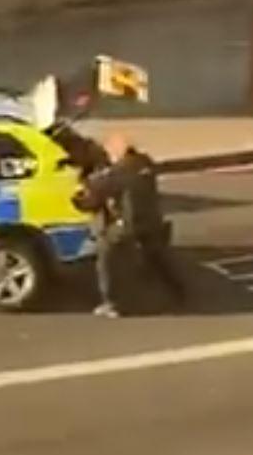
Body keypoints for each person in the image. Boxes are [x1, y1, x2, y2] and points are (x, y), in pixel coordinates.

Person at [76, 132, 185, 317]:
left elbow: (92, 197)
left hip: (128, 224)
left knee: (105, 252)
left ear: (118, 152)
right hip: (151, 220)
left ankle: (113, 303)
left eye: (109, 152)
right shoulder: (144, 163)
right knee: (157, 256)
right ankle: (178, 292)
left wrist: (80, 195)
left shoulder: (119, 172)